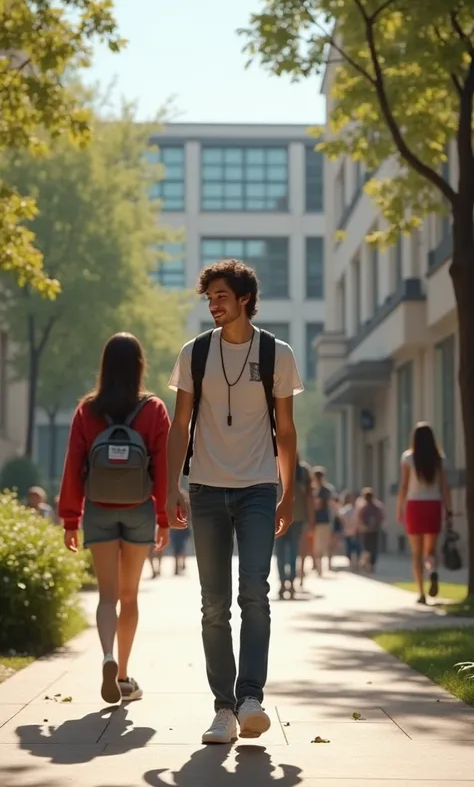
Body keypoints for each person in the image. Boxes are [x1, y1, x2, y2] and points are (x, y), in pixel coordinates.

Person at [166, 258, 302, 744]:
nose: (213, 305)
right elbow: (179, 425)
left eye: (221, 296)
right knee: (213, 605)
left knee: (255, 595)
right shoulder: (195, 353)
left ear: (245, 298)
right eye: (209, 298)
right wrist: (169, 487)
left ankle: (251, 700)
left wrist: (289, 494)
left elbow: (285, 430)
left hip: (260, 489)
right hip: (204, 488)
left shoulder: (276, 353)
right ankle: (222, 708)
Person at [58, 332, 171, 704]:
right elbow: (164, 466)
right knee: (129, 595)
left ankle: (106, 655)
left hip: (99, 510)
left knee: (107, 596)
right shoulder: (153, 410)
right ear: (140, 366)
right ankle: (123, 675)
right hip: (138, 510)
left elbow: (74, 465)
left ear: (104, 367)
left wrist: (70, 518)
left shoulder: (87, 410)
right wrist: (163, 517)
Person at [397, 421, 452, 604]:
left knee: (417, 553)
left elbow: (404, 486)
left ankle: (421, 593)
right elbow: (445, 487)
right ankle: (433, 571)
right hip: (433, 505)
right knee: (431, 550)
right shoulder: (439, 459)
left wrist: (399, 508)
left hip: (414, 505)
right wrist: (449, 510)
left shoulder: (408, 458)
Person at [274, 454, 313, 600]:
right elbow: (309, 498)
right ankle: (289, 582)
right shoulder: (304, 471)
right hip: (296, 516)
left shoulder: (276, 467)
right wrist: (310, 519)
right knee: (292, 552)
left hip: (279, 516)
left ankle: (284, 582)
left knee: (281, 552)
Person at [357, 487, 384, 573]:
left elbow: (359, 519)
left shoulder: (363, 508)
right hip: (374, 530)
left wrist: (361, 527)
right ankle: (371, 564)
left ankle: (366, 562)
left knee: (366, 548)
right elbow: (381, 517)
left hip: (366, 531)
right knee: (373, 548)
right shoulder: (377, 507)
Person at [312, 467, 333, 575]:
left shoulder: (323, 490)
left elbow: (320, 505)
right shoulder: (316, 490)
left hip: (322, 520)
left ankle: (321, 567)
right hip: (318, 520)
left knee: (321, 545)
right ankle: (319, 567)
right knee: (318, 545)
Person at [339, 491, 361, 569]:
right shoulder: (347, 509)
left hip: (357, 532)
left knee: (358, 548)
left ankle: (357, 563)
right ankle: (351, 562)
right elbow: (341, 517)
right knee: (349, 548)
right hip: (348, 532)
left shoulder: (359, 508)